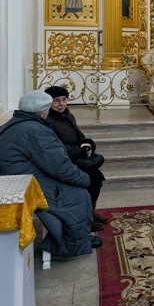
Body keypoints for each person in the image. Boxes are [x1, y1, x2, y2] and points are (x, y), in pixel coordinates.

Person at [0, 90, 100, 255]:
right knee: (78, 194)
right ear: (44, 111)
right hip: (26, 183)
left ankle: (78, 237)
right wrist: (83, 179)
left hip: (18, 178)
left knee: (82, 184)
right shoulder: (35, 130)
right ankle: (69, 243)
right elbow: (59, 166)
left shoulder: (13, 124)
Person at [44, 86, 108, 230]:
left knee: (96, 179)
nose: (61, 104)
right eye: (56, 101)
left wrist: (89, 144)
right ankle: (85, 218)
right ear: (49, 103)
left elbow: (80, 136)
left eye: (64, 100)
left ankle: (90, 213)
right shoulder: (48, 121)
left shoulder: (68, 115)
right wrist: (80, 151)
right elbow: (57, 147)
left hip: (77, 157)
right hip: (65, 161)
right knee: (89, 181)